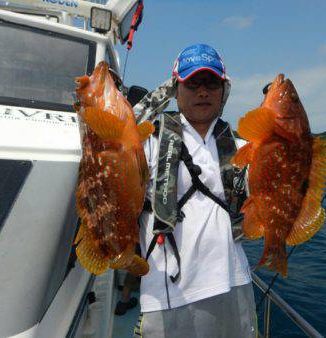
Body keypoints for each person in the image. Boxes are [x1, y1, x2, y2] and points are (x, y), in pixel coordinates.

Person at [135, 43, 257, 338]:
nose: (203, 91)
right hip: (169, 291)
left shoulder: (243, 148)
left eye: (212, 82)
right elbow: (111, 136)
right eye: (192, 83)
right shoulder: (147, 142)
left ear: (223, 90)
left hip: (235, 281)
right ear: (176, 89)